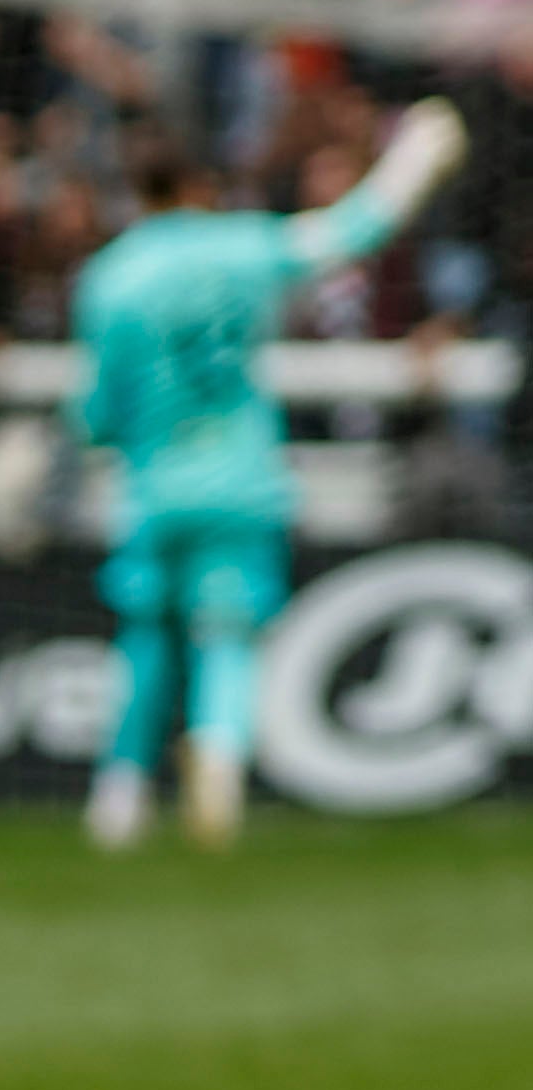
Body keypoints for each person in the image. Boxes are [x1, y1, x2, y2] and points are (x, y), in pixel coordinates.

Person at [72, 99, 469, 850]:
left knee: (146, 636)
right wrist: (413, 159)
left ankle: (118, 796)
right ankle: (218, 767)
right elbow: (349, 233)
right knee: (226, 638)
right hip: (241, 477)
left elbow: (92, 410)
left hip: (154, 485)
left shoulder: (110, 277)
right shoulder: (239, 246)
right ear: (198, 182)